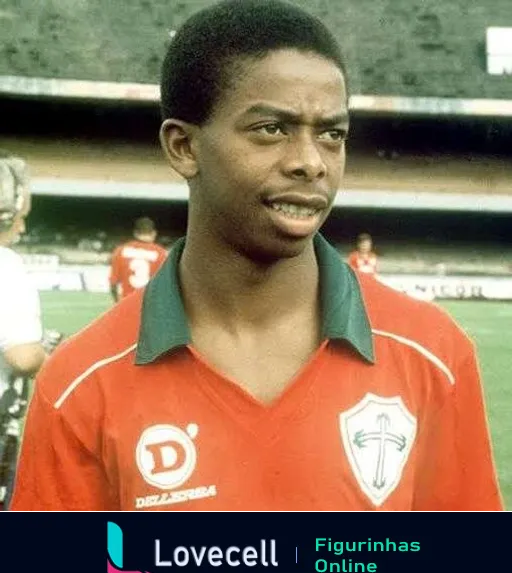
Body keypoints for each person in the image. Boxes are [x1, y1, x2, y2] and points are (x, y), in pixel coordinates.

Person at [9, 0, 503, 512]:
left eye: (332, 135)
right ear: (183, 147)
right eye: (272, 129)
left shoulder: (435, 356)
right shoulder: (78, 386)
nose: (311, 163)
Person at [0, 154, 60, 510]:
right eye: (21, 218)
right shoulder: (6, 266)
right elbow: (22, 357)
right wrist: (48, 356)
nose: (22, 228)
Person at [109, 216, 167, 302]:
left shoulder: (121, 251)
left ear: (135, 233)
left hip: (127, 304)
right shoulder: (161, 253)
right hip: (150, 306)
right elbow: (166, 285)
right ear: (154, 233)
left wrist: (117, 303)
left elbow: (113, 283)